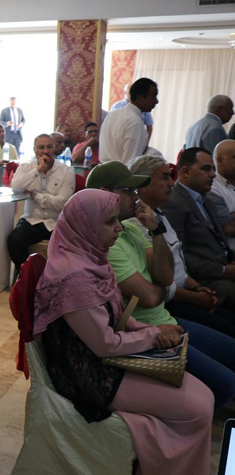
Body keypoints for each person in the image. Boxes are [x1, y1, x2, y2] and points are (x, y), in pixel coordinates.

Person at [32, 188, 213, 475]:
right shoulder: (74, 277)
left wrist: (150, 329)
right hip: (89, 373)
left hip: (105, 359)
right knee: (198, 408)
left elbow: (117, 315)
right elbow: (105, 344)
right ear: (85, 224)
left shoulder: (90, 258)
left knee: (203, 397)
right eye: (109, 222)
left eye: (117, 219)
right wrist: (152, 335)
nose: (119, 227)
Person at [87, 160, 235, 410]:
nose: (135, 196)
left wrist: (156, 231)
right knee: (225, 384)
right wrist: (160, 291)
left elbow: (165, 278)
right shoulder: (106, 242)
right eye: (128, 191)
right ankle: (188, 423)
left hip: (165, 319)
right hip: (145, 331)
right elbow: (150, 297)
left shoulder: (131, 230)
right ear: (105, 194)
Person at [127, 154, 235, 338]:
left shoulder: (159, 214)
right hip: (170, 303)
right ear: (143, 183)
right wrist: (195, 297)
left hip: (187, 290)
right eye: (165, 177)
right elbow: (160, 282)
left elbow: (178, 264)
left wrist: (197, 288)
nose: (172, 183)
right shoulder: (137, 224)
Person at [162, 147, 235, 308]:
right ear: (186, 172)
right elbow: (178, 256)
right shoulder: (173, 203)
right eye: (206, 169)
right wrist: (223, 270)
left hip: (223, 268)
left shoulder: (206, 200)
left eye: (213, 169)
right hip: (202, 280)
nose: (213, 174)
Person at [7, 134, 74, 270]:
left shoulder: (67, 171)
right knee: (14, 241)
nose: (45, 151)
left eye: (49, 147)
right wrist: (38, 170)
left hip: (56, 221)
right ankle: (27, 275)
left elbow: (62, 203)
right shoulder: (26, 167)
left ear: (54, 148)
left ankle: (53, 278)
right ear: (34, 150)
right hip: (32, 219)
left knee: (70, 248)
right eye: (41, 147)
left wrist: (34, 196)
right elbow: (15, 187)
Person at [99, 77, 159, 163]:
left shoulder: (112, 114)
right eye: (153, 97)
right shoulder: (135, 122)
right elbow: (131, 163)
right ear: (140, 99)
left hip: (103, 168)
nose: (156, 101)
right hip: (120, 170)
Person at [210, 139, 235, 251]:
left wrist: (231, 216)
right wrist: (229, 220)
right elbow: (228, 228)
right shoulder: (212, 188)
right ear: (220, 161)